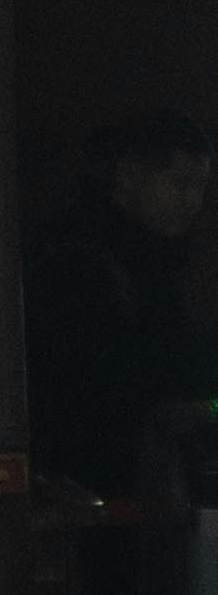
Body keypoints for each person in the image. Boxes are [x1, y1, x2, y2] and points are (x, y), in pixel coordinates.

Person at [32, 108, 218, 508]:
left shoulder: (160, 262)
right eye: (181, 185)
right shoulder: (83, 266)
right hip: (107, 494)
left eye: (201, 187)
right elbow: (98, 391)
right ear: (130, 176)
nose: (193, 202)